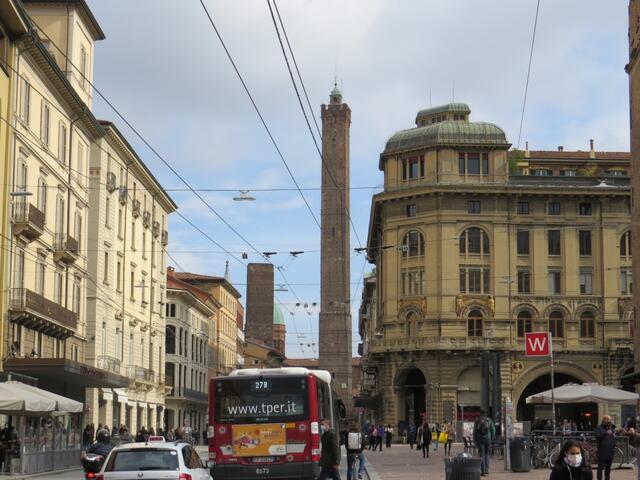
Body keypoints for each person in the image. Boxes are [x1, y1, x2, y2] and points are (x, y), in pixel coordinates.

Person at [473, 410, 496, 476]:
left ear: (480, 414)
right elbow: (493, 430)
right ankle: (487, 470)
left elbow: (474, 432)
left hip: (480, 440)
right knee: (487, 454)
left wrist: (475, 442)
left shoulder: (477, 421)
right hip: (488, 439)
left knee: (481, 455)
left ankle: (482, 471)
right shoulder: (489, 420)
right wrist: (491, 438)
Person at [594, 415, 616, 480]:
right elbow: (597, 437)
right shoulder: (598, 428)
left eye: (610, 420)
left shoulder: (611, 428)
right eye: (608, 420)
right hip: (602, 452)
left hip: (610, 452)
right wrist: (605, 433)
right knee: (600, 468)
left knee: (608, 469)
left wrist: (614, 444)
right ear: (604, 420)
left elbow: (612, 438)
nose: (610, 421)